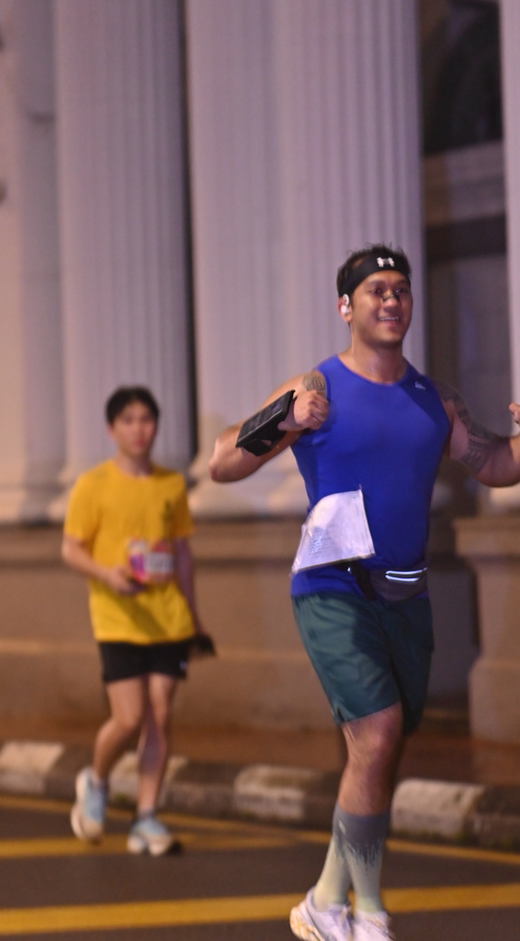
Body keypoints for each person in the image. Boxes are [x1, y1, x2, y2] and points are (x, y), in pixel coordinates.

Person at [209, 244, 520, 941]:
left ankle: (325, 899)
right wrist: (285, 418)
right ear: (346, 307)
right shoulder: (316, 386)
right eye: (376, 289)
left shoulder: (434, 400)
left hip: (406, 594)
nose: (392, 299)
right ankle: (370, 910)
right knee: (377, 733)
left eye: (400, 289)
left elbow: (497, 462)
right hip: (331, 585)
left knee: (379, 750)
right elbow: (221, 461)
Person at [62, 385, 209, 856]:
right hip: (118, 617)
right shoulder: (93, 485)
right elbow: (70, 548)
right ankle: (96, 780)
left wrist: (194, 617)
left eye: (146, 419)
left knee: (159, 717)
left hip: (168, 618)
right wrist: (108, 574)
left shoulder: (171, 484)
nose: (138, 429)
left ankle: (146, 816)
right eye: (128, 420)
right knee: (128, 719)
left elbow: (182, 552)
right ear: (112, 429)